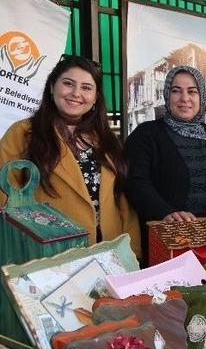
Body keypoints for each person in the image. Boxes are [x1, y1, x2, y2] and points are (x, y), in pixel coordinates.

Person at [0, 55, 140, 253]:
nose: (76, 93)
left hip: (108, 252)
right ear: (52, 87)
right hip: (51, 252)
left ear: (95, 97)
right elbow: (4, 194)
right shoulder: (24, 133)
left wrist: (132, 251)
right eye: (68, 84)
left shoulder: (106, 139)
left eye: (86, 88)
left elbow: (122, 200)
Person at [125, 65, 206, 247]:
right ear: (167, 95)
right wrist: (165, 212)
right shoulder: (146, 134)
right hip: (165, 236)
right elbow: (136, 181)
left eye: (192, 91)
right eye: (176, 91)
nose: (185, 98)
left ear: (201, 96)